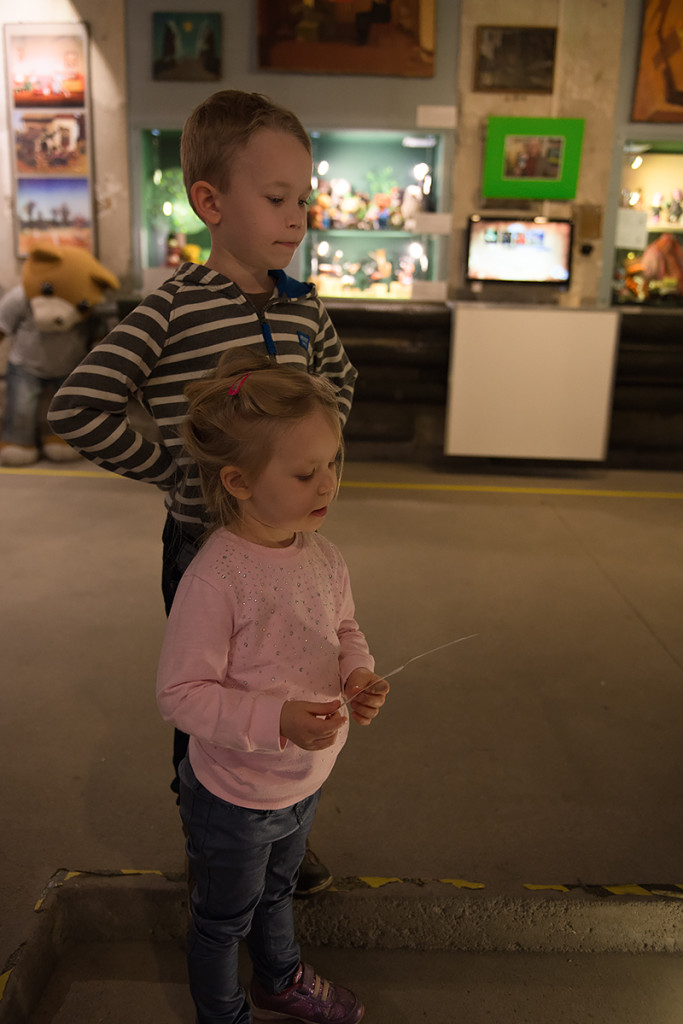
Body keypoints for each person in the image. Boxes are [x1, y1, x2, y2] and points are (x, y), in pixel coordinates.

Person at [48, 89, 358, 895]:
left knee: (292, 677)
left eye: (303, 200)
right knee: (211, 696)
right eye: (277, 198)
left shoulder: (301, 309)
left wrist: (313, 463)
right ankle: (212, 833)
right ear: (210, 203)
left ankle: (276, 816)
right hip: (204, 547)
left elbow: (338, 383)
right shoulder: (172, 310)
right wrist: (177, 470)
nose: (297, 218)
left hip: (290, 549)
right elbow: (78, 407)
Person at [156, 349, 389, 1024]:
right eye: (305, 472)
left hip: (302, 780)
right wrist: (277, 720)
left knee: (279, 891)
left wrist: (356, 673)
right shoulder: (216, 577)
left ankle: (278, 980)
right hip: (233, 793)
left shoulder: (323, 555)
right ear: (238, 480)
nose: (328, 485)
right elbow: (180, 694)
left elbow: (341, 627)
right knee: (221, 919)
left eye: (333, 464)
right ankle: (223, 1013)